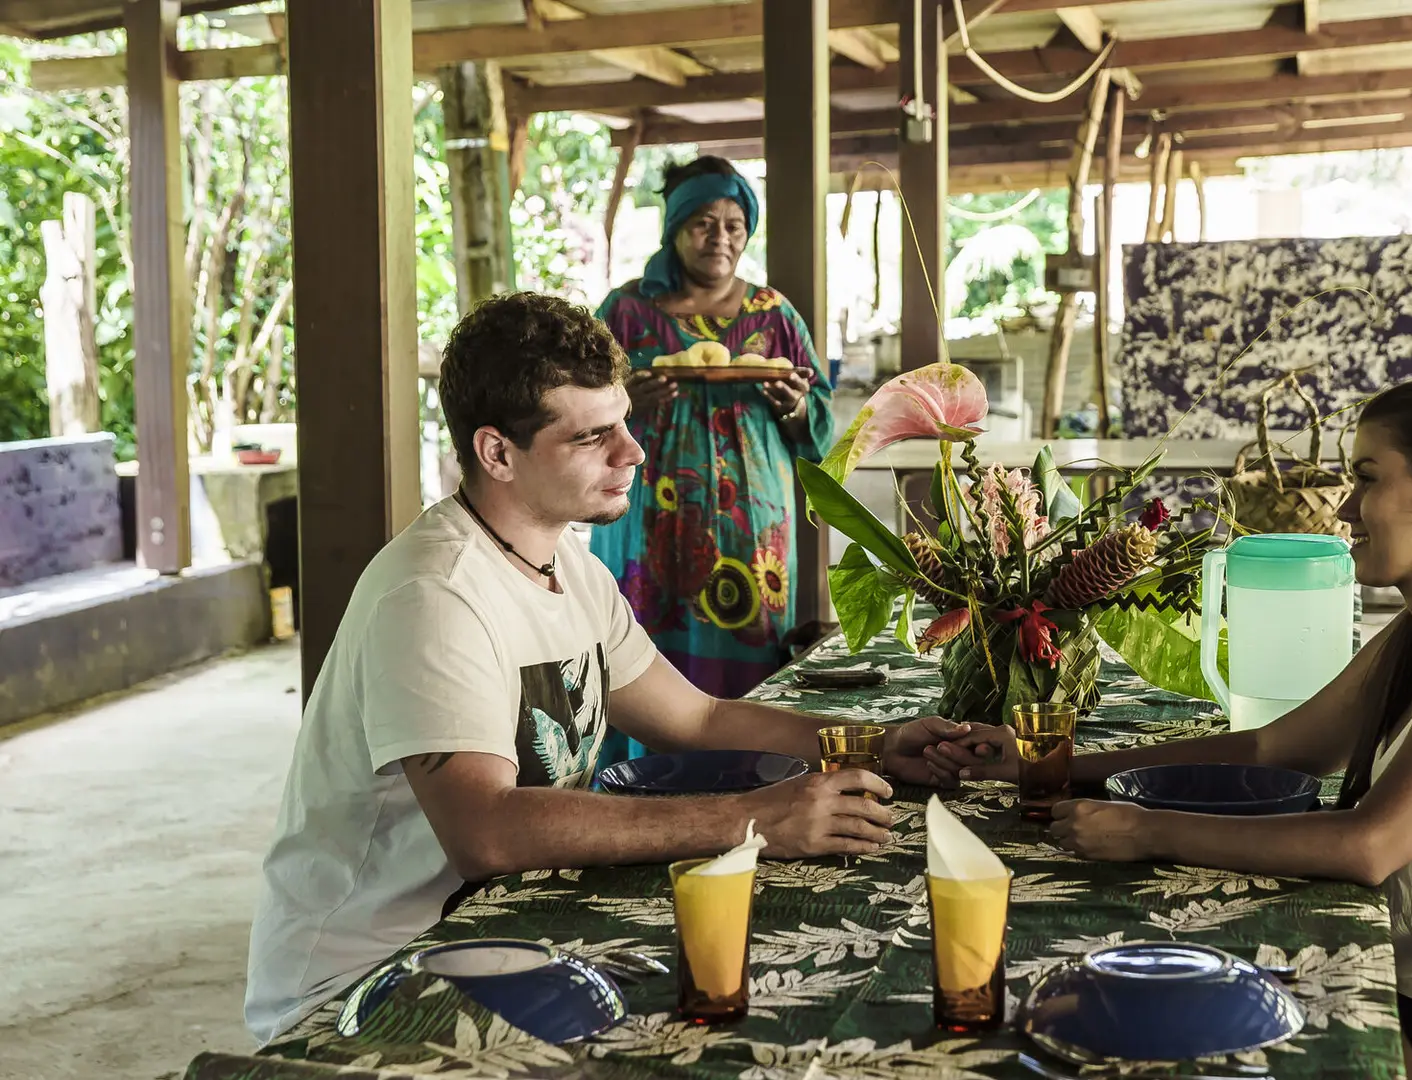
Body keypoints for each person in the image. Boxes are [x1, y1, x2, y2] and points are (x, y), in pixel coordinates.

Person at [244, 292, 975, 1044]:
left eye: (624, 422)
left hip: (505, 932)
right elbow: (487, 831)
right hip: (365, 980)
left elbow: (697, 717)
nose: (634, 451)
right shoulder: (434, 595)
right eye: (594, 436)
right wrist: (760, 819)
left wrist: (873, 741)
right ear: (497, 453)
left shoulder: (566, 562)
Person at [943, 376, 1412, 1080]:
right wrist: (1050, 762)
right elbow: (1274, 748)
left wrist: (1143, 829)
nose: (1344, 507)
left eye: (1367, 479)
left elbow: (1370, 845)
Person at [590, 155, 830, 768]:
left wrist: (795, 409)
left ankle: (757, 778)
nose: (719, 237)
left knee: (747, 638)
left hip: (756, 530)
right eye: (702, 221)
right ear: (673, 228)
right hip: (649, 521)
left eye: (733, 223)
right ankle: (642, 782)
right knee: (644, 642)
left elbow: (822, 421)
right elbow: (574, 405)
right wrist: (624, 401)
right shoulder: (626, 312)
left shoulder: (774, 315)